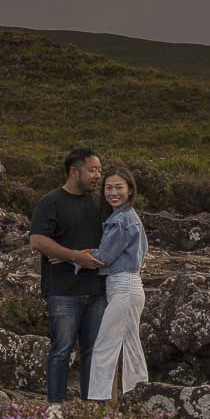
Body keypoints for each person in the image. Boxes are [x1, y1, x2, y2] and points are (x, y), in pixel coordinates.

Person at [29, 147, 106, 402]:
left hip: (96, 291)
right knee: (61, 350)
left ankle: (89, 408)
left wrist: (137, 261)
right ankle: (55, 407)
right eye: (93, 169)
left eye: (100, 170)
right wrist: (74, 256)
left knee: (92, 352)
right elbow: (38, 240)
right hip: (62, 291)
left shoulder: (99, 202)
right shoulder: (51, 202)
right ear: (75, 171)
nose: (98, 175)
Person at [83, 166, 149, 400]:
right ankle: (139, 396)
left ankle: (97, 404)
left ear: (130, 190)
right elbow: (140, 253)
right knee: (130, 346)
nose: (113, 192)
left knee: (105, 347)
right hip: (130, 286)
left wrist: (69, 257)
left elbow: (104, 257)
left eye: (119, 187)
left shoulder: (121, 220)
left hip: (123, 288)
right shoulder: (130, 217)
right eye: (108, 188)